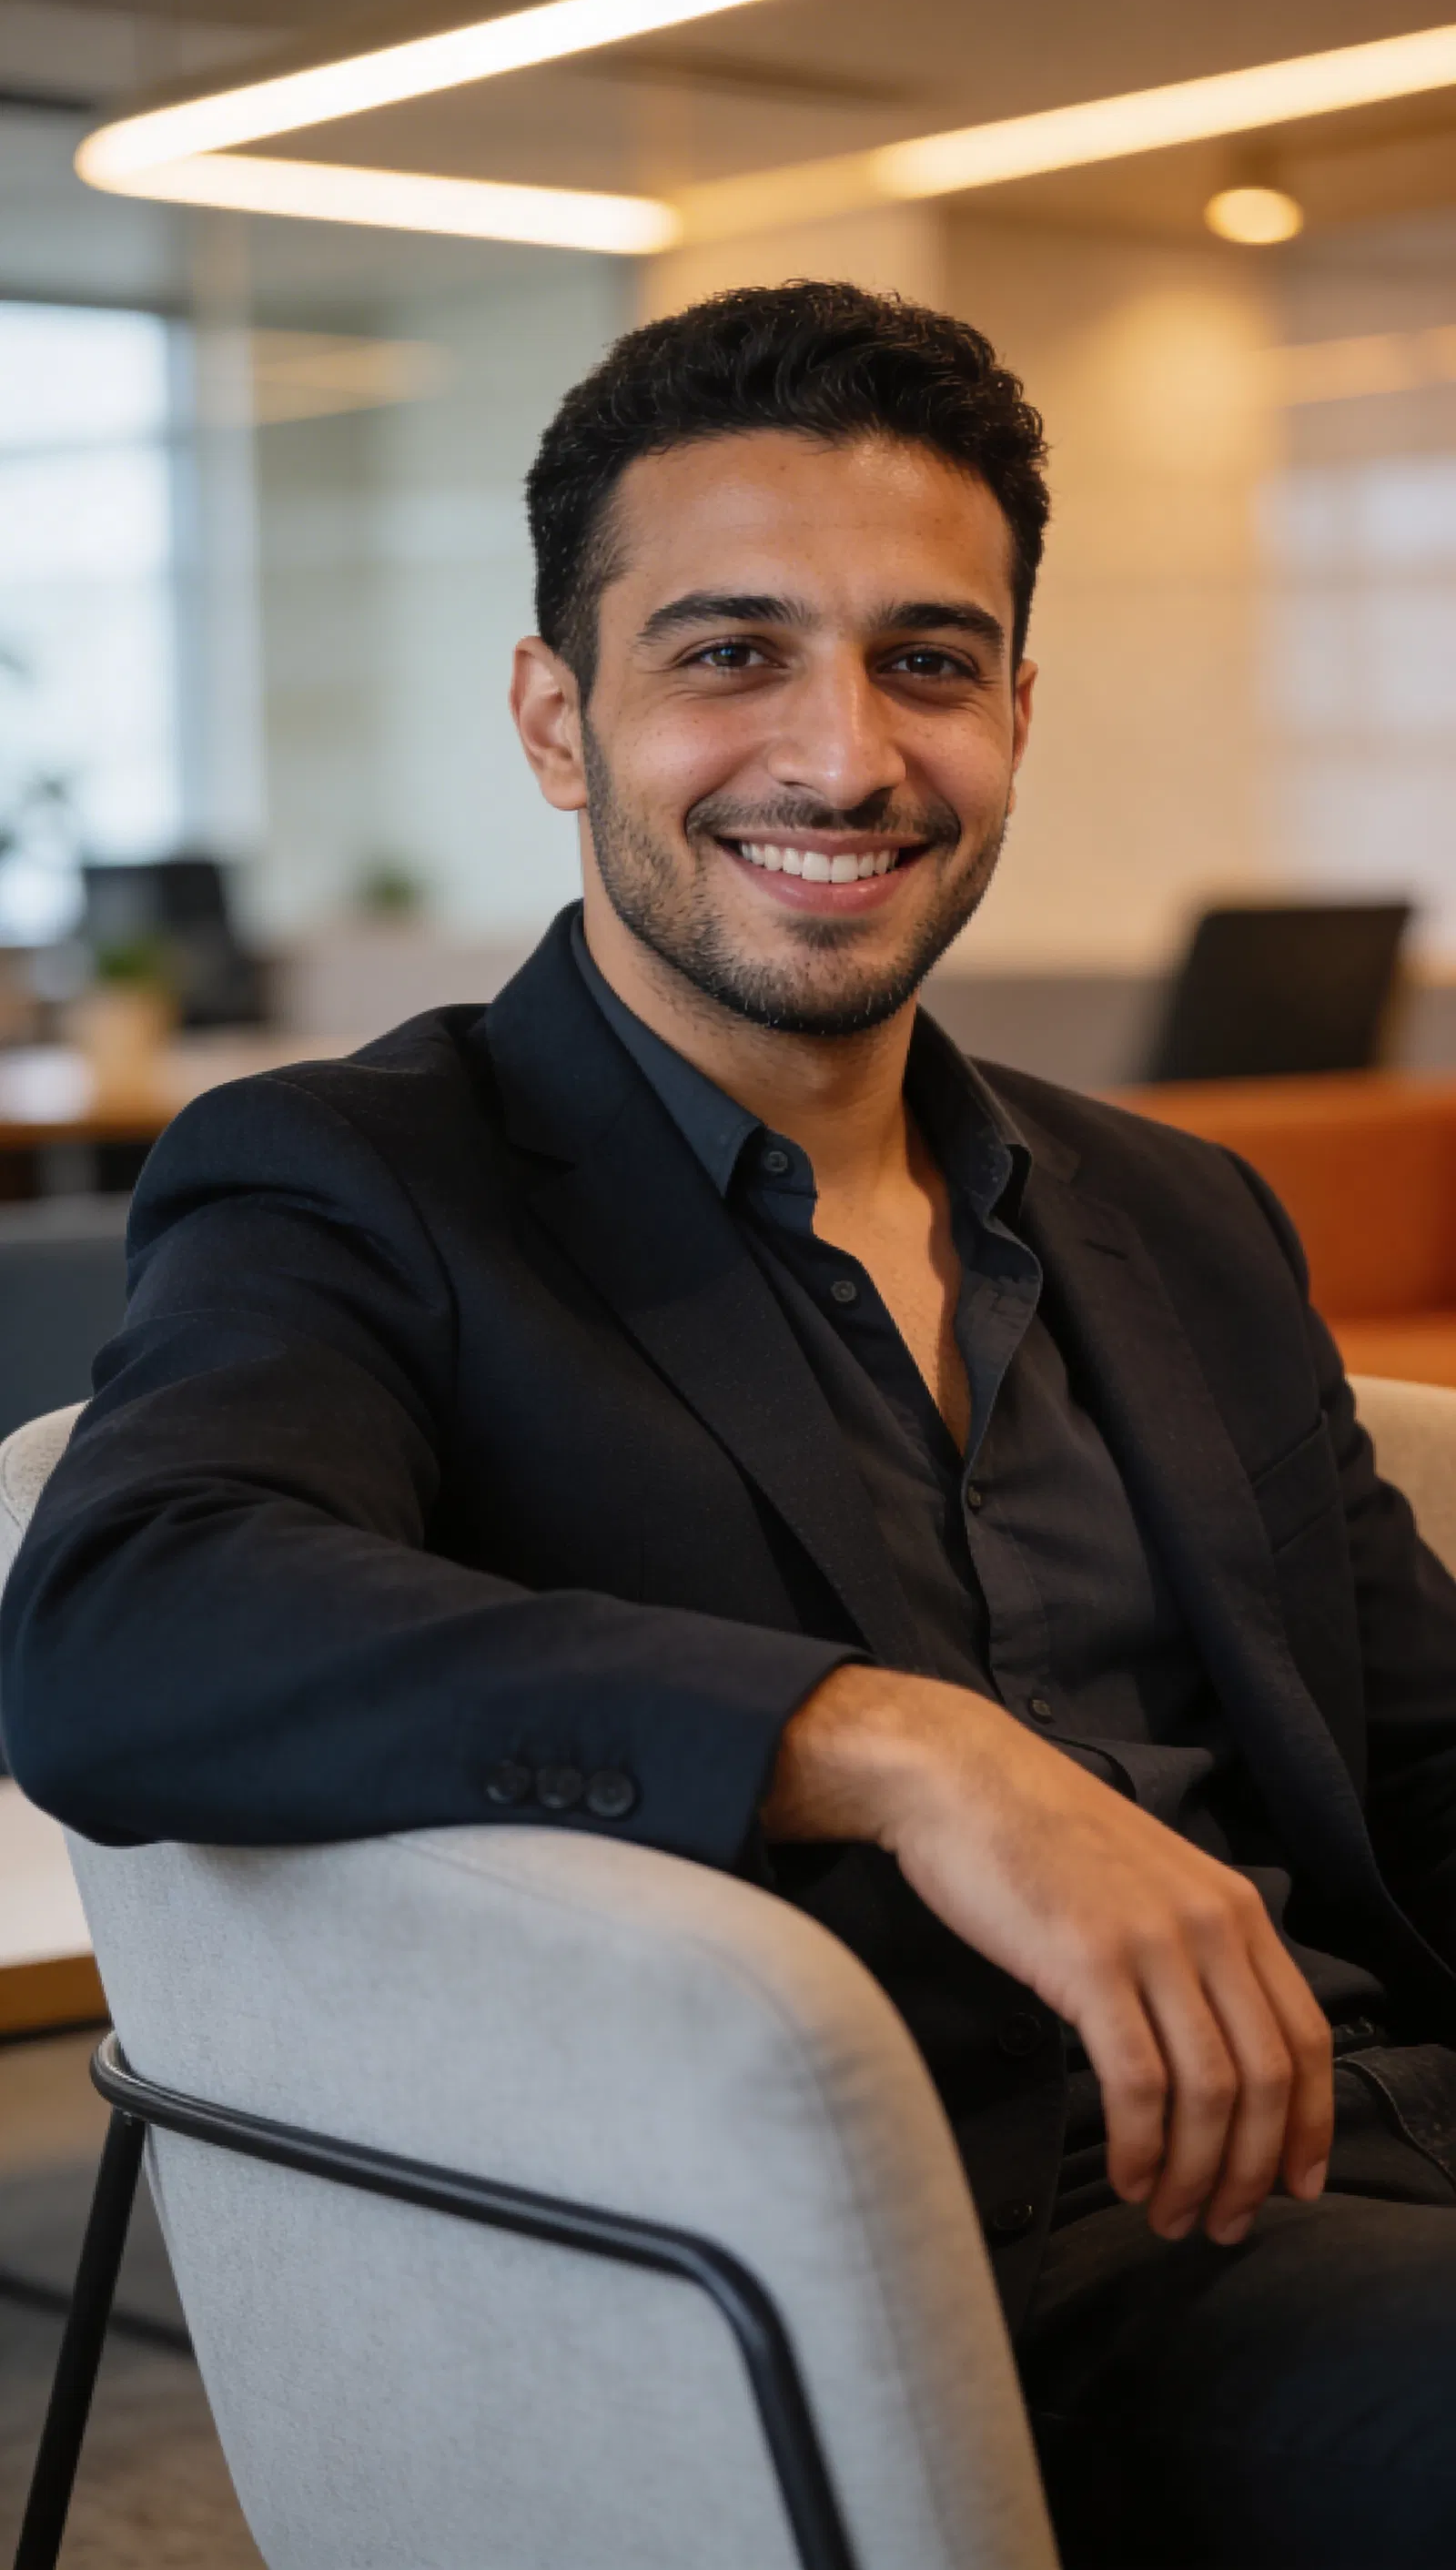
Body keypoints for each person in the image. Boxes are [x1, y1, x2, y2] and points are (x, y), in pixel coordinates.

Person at [5, 280, 1456, 2568]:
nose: (842, 756)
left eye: (926, 662)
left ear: (1012, 714)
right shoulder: (361, 1181)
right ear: (556, 719)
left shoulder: (1171, 1210)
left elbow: (1420, 1754)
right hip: (959, 2272)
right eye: (729, 654)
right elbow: (124, 1624)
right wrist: (890, 1743)